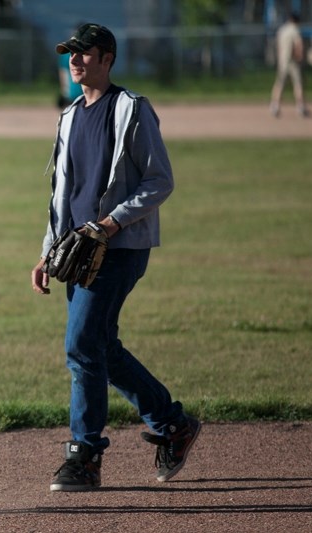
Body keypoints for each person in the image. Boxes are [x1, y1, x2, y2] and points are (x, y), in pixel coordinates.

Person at [30, 23, 201, 492]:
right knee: (100, 346)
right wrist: (47, 252)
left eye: (85, 53)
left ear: (108, 58)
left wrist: (112, 223)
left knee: (81, 346)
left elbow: (159, 181)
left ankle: (84, 454)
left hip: (120, 247)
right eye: (71, 54)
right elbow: (61, 194)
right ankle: (172, 423)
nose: (75, 61)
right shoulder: (69, 116)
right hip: (77, 251)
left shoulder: (131, 109)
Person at [270, 12, 308, 118]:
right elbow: (298, 45)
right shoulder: (295, 30)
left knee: (279, 83)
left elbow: (278, 46)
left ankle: (275, 106)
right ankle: (300, 106)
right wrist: (300, 57)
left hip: (283, 60)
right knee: (298, 84)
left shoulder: (282, 30)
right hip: (293, 61)